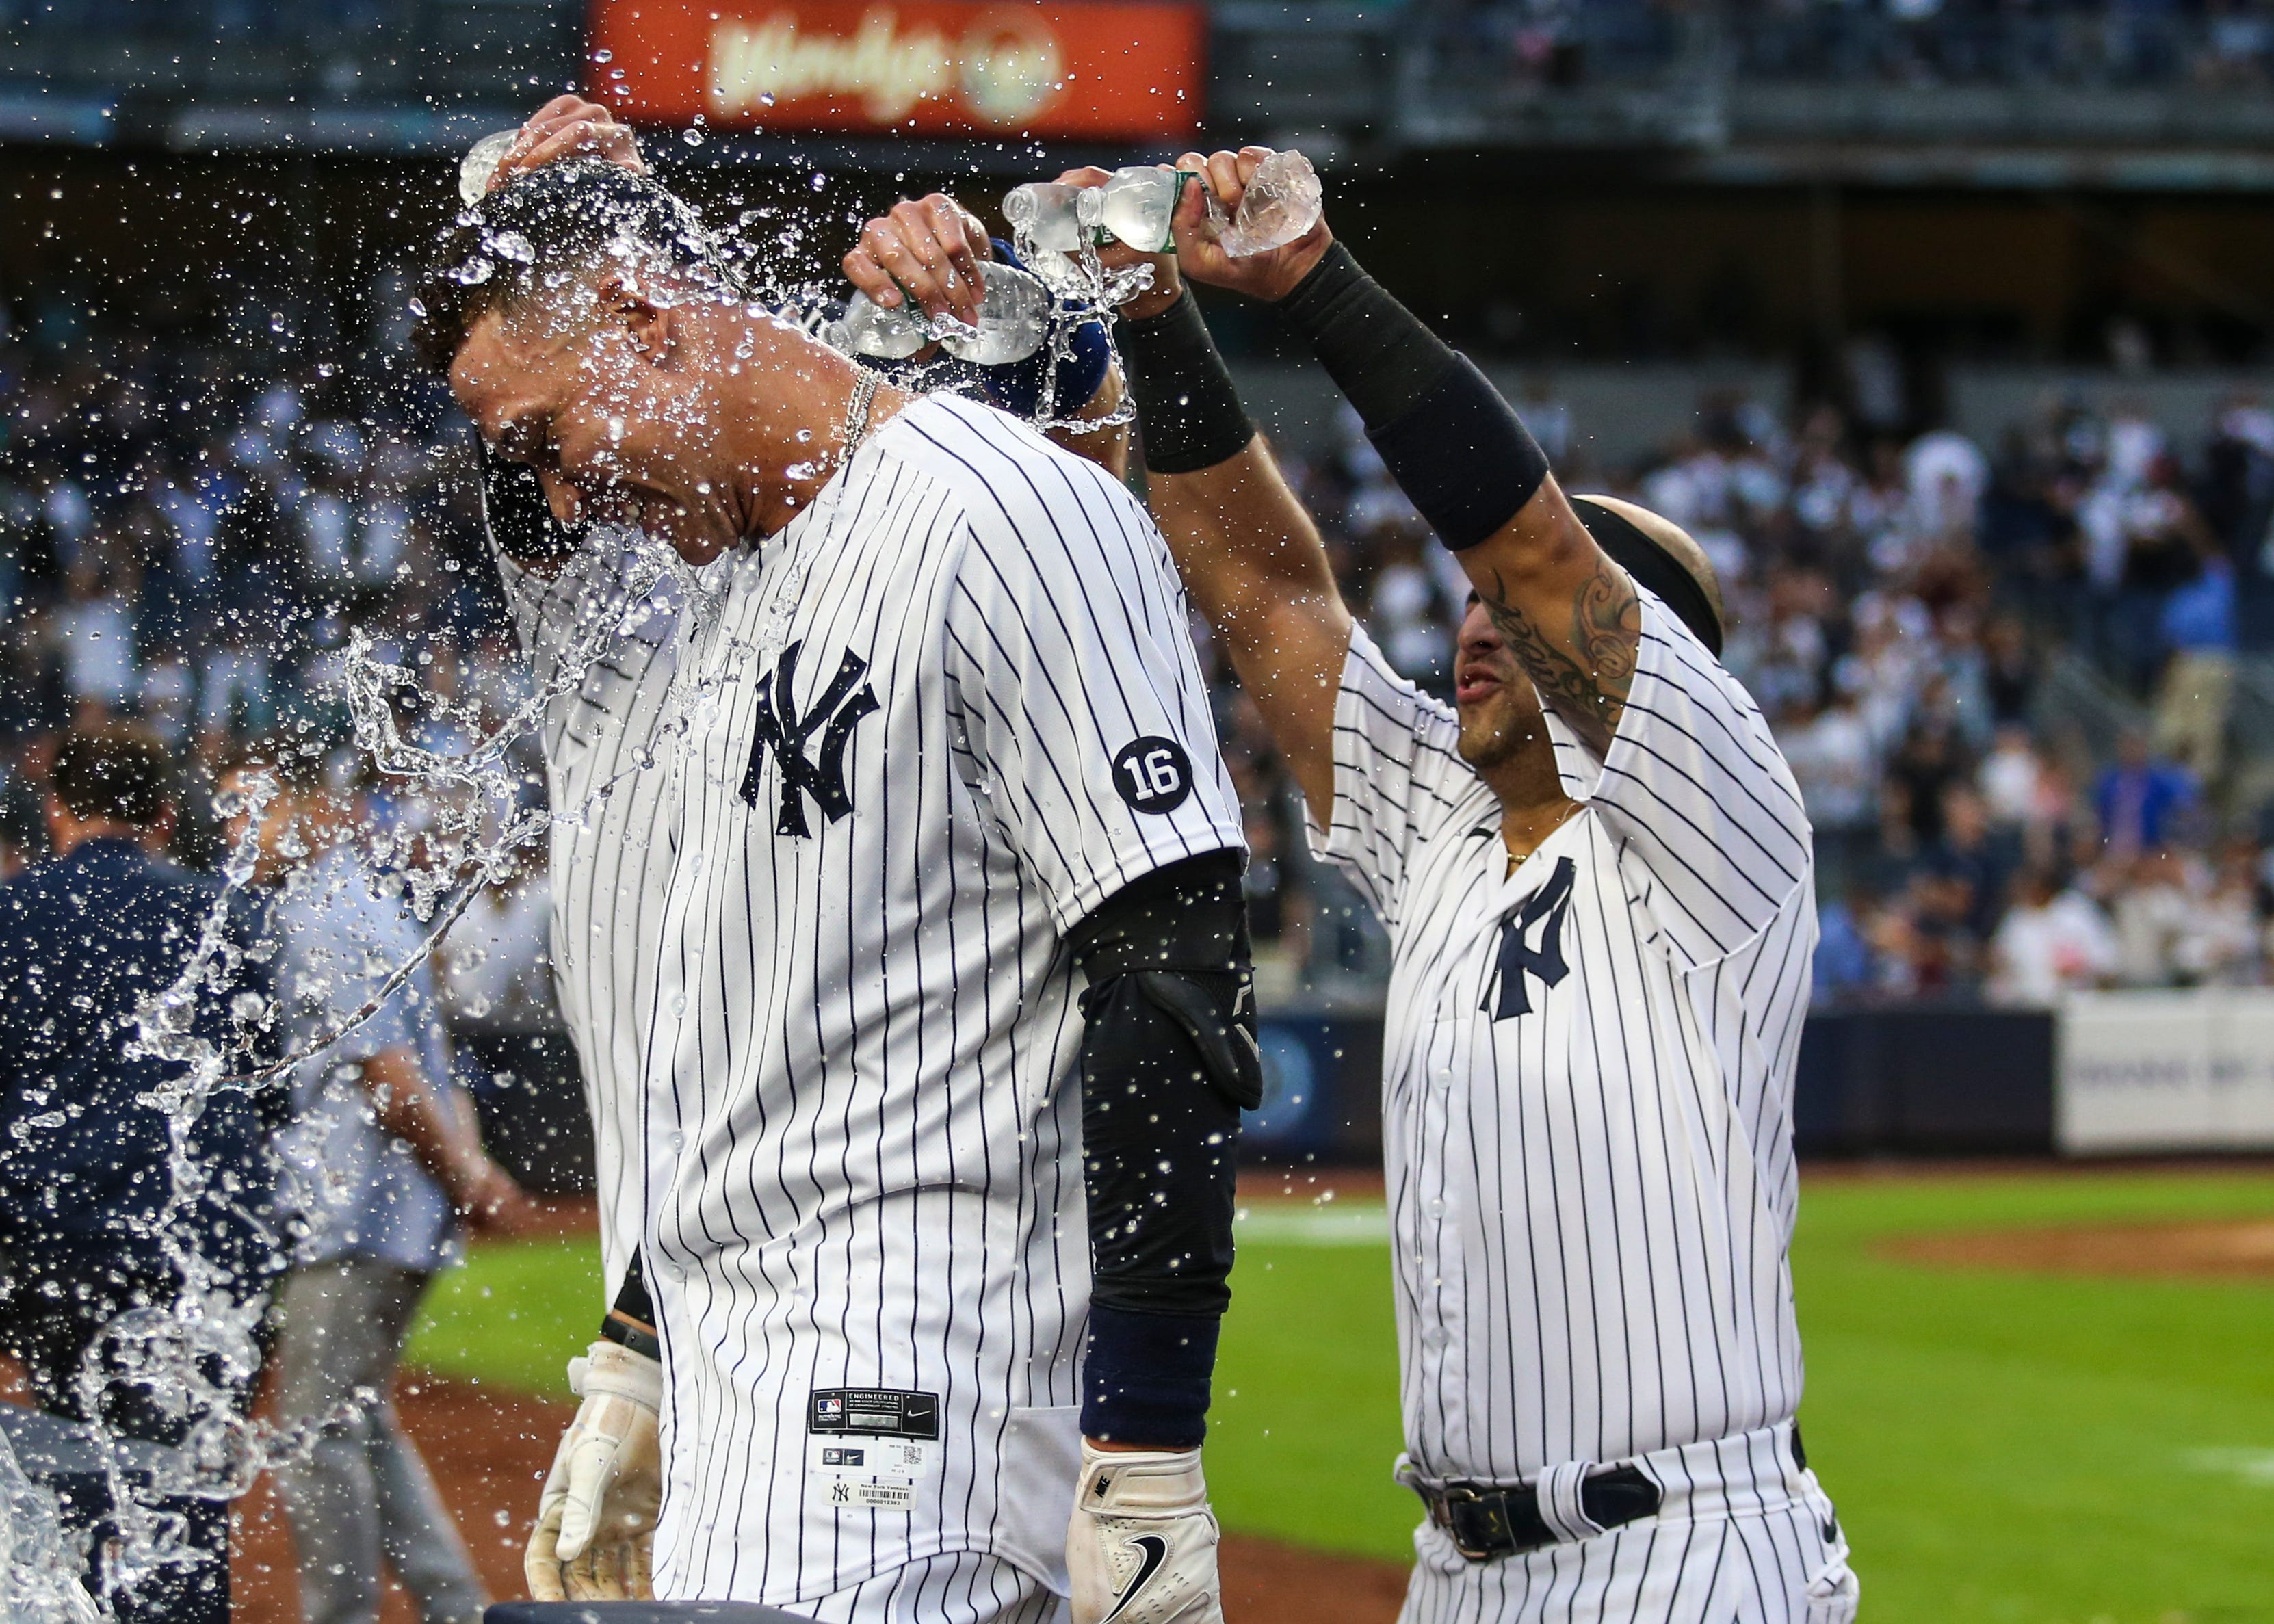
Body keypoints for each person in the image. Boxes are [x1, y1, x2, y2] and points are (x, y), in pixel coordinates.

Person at [851, 150, 1853, 1620]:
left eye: (1518, 600)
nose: (1481, 619)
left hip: (1687, 1550)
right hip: (1457, 1565)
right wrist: (1150, 305)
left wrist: (1315, 283)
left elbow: (1525, 537)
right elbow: (1265, 587)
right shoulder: (1449, 820)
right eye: (1469, 603)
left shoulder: (1718, 828)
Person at [412, 144, 1255, 1623]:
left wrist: (1148, 1440)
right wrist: (636, 1347)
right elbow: (748, 1074)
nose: (557, 490)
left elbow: (1172, 977)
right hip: (743, 1382)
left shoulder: (1002, 511)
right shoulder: (721, 596)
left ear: (646, 317)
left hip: (910, 1382)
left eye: (550, 433)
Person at [226, 739, 534, 1624]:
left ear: (312, 810)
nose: (247, 832)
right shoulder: (368, 902)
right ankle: (457, 1605)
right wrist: (466, 1176)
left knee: (310, 1433)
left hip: (359, 1213)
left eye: (263, 808)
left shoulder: (324, 913)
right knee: (356, 1417)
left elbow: (395, 1080)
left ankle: (344, 1616)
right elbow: (436, 1070)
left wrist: (470, 1179)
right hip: (385, 1212)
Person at [0, 722, 283, 1624]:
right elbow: (265, 1091)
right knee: (183, 1499)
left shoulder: (10, 915)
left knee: (65, 1466)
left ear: (55, 812)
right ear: (164, 814)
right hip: (191, 1245)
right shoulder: (227, 912)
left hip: (51, 1247)